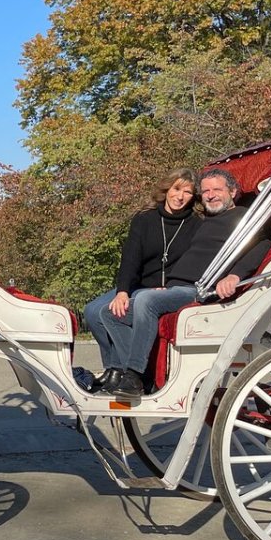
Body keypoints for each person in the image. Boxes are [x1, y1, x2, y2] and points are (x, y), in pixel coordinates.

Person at [100, 167, 271, 399]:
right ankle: (143, 372)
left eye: (217, 190)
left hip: (198, 291)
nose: (211, 195)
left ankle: (135, 375)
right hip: (175, 288)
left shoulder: (242, 218)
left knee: (145, 299)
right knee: (110, 314)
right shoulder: (204, 221)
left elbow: (263, 244)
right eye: (206, 191)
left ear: (232, 191)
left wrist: (235, 276)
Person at [83, 168, 201, 393]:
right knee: (91, 311)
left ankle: (131, 372)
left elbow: (194, 262)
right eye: (176, 189)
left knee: (111, 312)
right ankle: (114, 367)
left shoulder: (196, 223)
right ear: (166, 189)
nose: (180, 196)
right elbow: (130, 258)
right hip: (140, 284)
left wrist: (166, 289)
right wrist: (122, 291)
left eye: (187, 192)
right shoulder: (144, 218)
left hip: (167, 288)